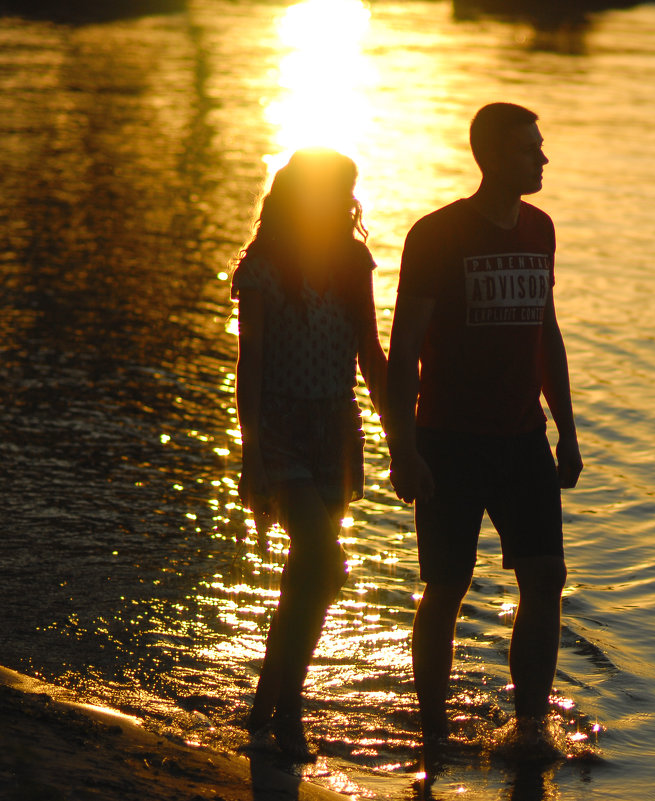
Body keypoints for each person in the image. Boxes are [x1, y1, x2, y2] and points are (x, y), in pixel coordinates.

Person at [385, 103, 582, 755]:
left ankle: (529, 730)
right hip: (449, 439)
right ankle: (434, 732)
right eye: (530, 149)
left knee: (545, 576)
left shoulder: (540, 229)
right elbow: (405, 342)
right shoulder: (437, 235)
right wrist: (403, 449)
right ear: (493, 158)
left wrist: (567, 430)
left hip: (522, 437)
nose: (543, 159)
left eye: (541, 146)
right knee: (445, 585)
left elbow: (545, 333)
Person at [232, 148, 387, 761]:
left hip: (337, 429)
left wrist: (403, 433)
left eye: (345, 190)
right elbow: (252, 365)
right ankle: (289, 713)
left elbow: (371, 353)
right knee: (325, 563)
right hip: (280, 428)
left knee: (306, 578)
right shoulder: (265, 267)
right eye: (329, 189)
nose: (339, 201)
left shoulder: (353, 261)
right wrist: (252, 454)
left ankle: (267, 699)